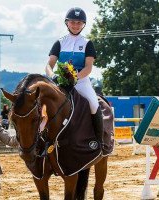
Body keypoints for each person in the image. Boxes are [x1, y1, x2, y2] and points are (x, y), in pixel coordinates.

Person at [45, 7, 104, 151]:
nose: (76, 25)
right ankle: (43, 140)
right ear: (67, 23)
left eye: (79, 23)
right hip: (59, 81)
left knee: (93, 104)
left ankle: (99, 141)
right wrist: (53, 76)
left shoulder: (87, 43)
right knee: (43, 105)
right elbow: (49, 65)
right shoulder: (59, 42)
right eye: (73, 22)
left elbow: (88, 68)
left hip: (81, 81)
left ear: (83, 24)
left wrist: (74, 77)